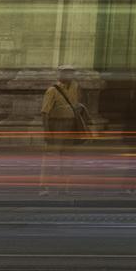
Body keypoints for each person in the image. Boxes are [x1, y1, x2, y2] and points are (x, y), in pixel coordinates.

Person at [40, 67, 90, 196]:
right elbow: (45, 113)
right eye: (66, 73)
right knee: (51, 158)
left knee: (68, 158)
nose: (69, 75)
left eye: (71, 73)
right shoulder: (52, 90)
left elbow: (77, 104)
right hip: (56, 125)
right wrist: (47, 132)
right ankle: (45, 187)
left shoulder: (75, 87)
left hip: (71, 125)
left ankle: (64, 187)